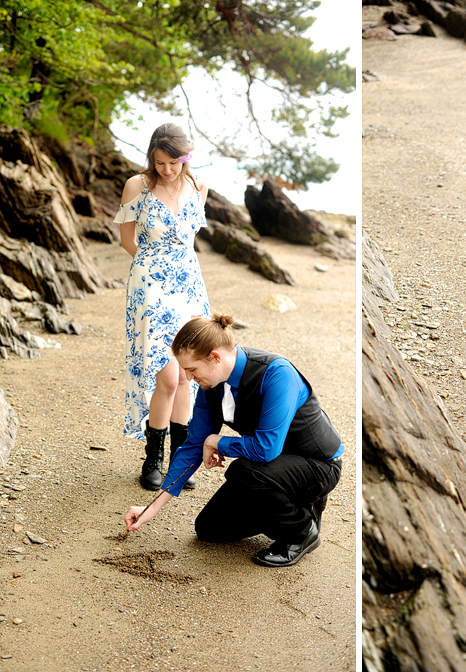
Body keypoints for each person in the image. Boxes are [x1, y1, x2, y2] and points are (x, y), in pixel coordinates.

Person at [123, 311, 344, 567]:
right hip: (273, 467)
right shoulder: (210, 386)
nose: (189, 378)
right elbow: (194, 445)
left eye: (192, 369)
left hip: (318, 465)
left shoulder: (277, 373)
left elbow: (266, 449)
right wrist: (152, 507)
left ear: (215, 357)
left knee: (244, 471)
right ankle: (293, 504)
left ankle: (302, 530)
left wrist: (217, 442)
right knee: (209, 529)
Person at [114, 124, 212, 490]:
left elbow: (189, 243)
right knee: (167, 377)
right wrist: (152, 274)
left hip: (189, 287)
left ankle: (179, 460)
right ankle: (152, 459)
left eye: (172, 163)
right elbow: (127, 239)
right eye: (159, 162)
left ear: (184, 160)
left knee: (188, 374)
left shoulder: (199, 187)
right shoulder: (137, 185)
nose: (166, 170)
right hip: (151, 286)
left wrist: (177, 274)